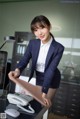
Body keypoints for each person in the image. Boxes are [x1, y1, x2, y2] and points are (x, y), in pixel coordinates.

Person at [8, 15, 64, 107]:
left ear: (49, 27)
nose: (39, 33)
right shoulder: (33, 43)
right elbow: (24, 59)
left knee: (45, 104)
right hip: (40, 76)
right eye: (35, 30)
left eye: (42, 28)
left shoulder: (58, 48)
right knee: (38, 103)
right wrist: (18, 70)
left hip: (52, 77)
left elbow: (51, 70)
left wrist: (45, 92)